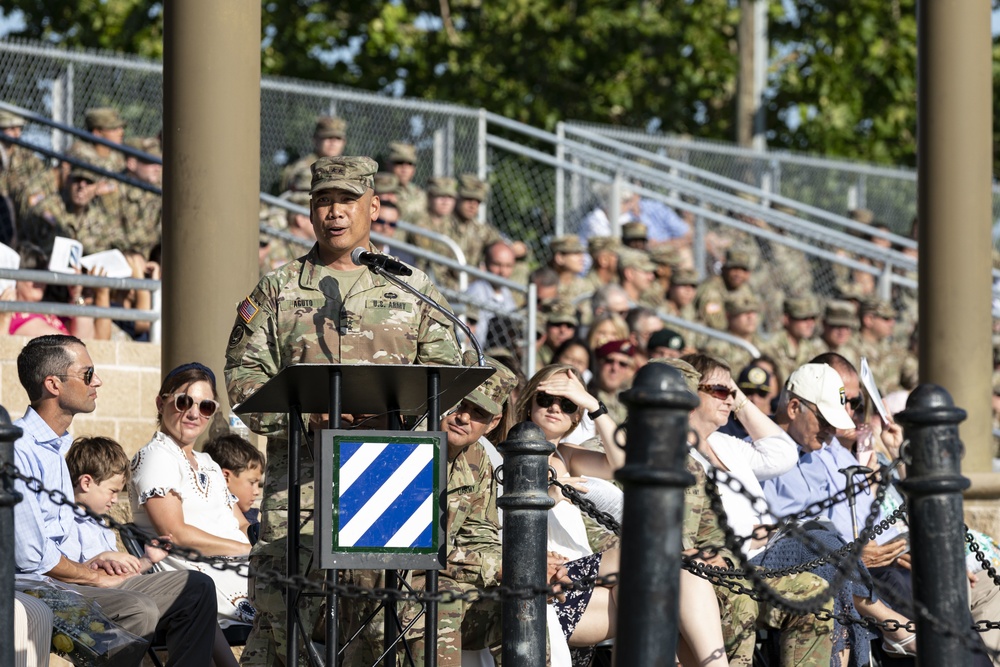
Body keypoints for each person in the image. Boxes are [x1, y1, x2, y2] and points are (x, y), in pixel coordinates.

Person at [225, 155, 463, 665]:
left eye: (347, 201)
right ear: (311, 211)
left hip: (392, 477)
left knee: (393, 626)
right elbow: (242, 383)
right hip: (302, 488)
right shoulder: (277, 289)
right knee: (289, 629)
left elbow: (448, 373)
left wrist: (397, 416)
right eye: (323, 201)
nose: (335, 212)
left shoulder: (411, 287)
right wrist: (311, 416)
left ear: (373, 207)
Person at [12, 334, 218, 666]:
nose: (99, 381)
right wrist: (97, 577)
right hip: (42, 588)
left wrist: (98, 561)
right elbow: (35, 558)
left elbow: (69, 540)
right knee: (138, 609)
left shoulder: (61, 448)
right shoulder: (18, 451)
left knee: (195, 587)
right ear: (53, 384)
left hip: (76, 579)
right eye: (88, 374)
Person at [399, 352, 516, 665]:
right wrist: (495, 569)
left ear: (492, 424)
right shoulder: (405, 442)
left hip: (443, 576)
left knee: (519, 601)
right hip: (389, 583)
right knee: (445, 600)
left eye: (478, 413)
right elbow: (409, 550)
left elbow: (479, 535)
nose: (464, 417)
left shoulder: (477, 460)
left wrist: (515, 568)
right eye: (461, 404)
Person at [129, 362, 255, 632]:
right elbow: (176, 533)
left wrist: (263, 547)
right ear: (161, 403)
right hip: (197, 573)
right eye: (184, 402)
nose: (194, 413)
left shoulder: (207, 461)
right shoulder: (156, 456)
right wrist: (250, 551)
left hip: (239, 567)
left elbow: (241, 524)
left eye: (205, 406)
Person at [203, 434, 266, 537]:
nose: (257, 491)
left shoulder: (251, 519)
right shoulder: (212, 520)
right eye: (252, 482)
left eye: (258, 484)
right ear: (225, 477)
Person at [761, 295, 825, 383]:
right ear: (787, 319)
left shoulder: (813, 349)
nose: (810, 323)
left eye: (812, 318)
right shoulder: (771, 347)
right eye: (804, 318)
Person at [466, 240, 518, 346]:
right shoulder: (475, 292)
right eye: (497, 264)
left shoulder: (507, 294)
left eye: (508, 266)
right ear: (486, 263)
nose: (502, 271)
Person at [279, 116, 347, 193]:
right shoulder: (300, 169)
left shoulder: (351, 169)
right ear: (316, 139)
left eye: (338, 138)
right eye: (328, 137)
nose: (333, 142)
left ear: (344, 142)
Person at [694, 249, 755, 331]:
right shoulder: (711, 289)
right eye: (734, 269)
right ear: (724, 269)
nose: (738, 274)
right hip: (710, 334)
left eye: (743, 270)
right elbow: (716, 324)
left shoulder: (745, 289)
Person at [386, 141, 427, 224]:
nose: (404, 168)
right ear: (389, 165)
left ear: (414, 169)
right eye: (399, 162)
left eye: (409, 163)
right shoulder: (381, 192)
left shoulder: (420, 195)